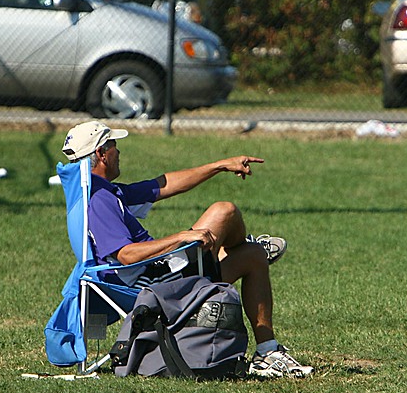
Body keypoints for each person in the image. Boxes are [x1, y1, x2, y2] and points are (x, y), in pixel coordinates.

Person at [61, 121, 313, 378]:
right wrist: (180, 237)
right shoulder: (99, 200)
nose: (119, 152)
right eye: (114, 145)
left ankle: (267, 352)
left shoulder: (98, 190)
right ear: (102, 154)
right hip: (150, 284)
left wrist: (219, 165)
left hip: (155, 274)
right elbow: (127, 256)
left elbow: (163, 184)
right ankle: (243, 250)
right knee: (224, 212)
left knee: (253, 255)